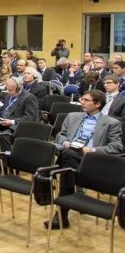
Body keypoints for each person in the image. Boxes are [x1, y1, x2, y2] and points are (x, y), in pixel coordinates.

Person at [46, 89, 123, 230]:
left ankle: (62, 212)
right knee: (68, 156)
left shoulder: (111, 123)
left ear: (98, 104)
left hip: (91, 160)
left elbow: (117, 147)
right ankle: (74, 190)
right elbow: (60, 135)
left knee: (66, 164)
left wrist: (92, 150)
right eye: (82, 99)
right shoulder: (72, 116)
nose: (82, 102)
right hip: (71, 153)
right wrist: (65, 142)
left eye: (86, 100)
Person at [0, 77, 38, 151]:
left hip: (17, 126)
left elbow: (30, 118)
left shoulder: (29, 98)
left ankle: (7, 157)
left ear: (18, 88)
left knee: (4, 136)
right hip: (3, 123)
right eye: (7, 89)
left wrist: (12, 122)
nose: (8, 92)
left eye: (10, 90)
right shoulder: (8, 96)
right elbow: (1, 111)